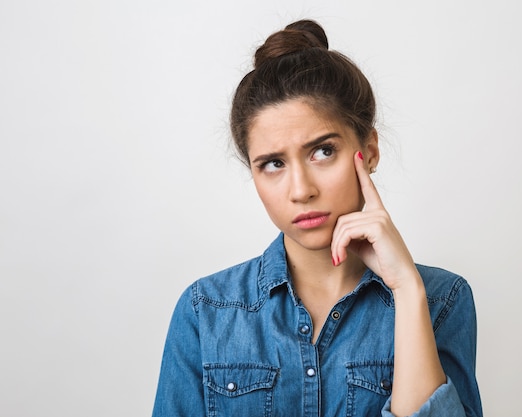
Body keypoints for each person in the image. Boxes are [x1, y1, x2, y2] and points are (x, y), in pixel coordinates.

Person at [152, 19, 482, 417]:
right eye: (273, 163)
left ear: (370, 151)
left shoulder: (441, 301)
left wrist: (407, 290)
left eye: (323, 151)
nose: (300, 189)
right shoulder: (206, 311)